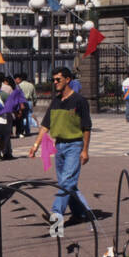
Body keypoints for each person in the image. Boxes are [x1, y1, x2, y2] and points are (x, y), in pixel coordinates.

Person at [28, 67, 92, 225]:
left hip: (74, 146)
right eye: (53, 80)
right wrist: (36, 145)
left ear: (68, 80)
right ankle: (81, 213)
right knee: (68, 184)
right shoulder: (56, 101)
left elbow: (86, 127)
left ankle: (56, 214)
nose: (55, 82)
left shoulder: (79, 101)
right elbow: (45, 125)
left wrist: (85, 150)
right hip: (60, 147)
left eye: (58, 79)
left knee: (66, 182)